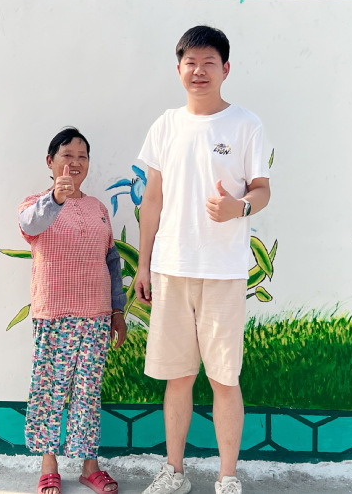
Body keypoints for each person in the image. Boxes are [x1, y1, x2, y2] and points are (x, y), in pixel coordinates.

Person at [136, 26, 271, 494]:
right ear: (179, 69)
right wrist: (143, 265)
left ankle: (227, 477)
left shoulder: (246, 124)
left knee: (224, 379)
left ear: (225, 69)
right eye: (190, 63)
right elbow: (152, 200)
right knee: (178, 377)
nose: (199, 71)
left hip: (223, 272)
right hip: (170, 268)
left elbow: (262, 189)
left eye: (208, 62)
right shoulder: (165, 125)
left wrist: (240, 207)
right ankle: (173, 472)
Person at [18, 127, 128, 494]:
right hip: (55, 314)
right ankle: (48, 465)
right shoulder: (35, 205)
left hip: (96, 316)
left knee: (88, 393)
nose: (75, 162)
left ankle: (89, 466)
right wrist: (56, 198)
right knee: (49, 390)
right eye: (67, 155)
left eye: (82, 156)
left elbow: (112, 262)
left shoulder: (98, 208)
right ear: (51, 162)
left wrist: (117, 311)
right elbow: (30, 224)